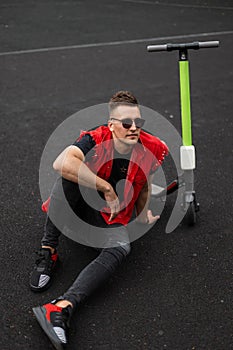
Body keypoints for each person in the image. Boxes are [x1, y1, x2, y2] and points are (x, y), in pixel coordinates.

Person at [31, 91, 168, 349]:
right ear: (111, 125)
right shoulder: (94, 138)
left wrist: (143, 213)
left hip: (109, 217)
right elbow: (61, 162)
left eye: (138, 122)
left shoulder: (152, 147)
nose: (133, 128)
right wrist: (105, 187)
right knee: (67, 178)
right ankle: (48, 249)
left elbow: (145, 183)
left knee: (121, 248)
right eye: (126, 123)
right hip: (81, 209)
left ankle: (60, 308)